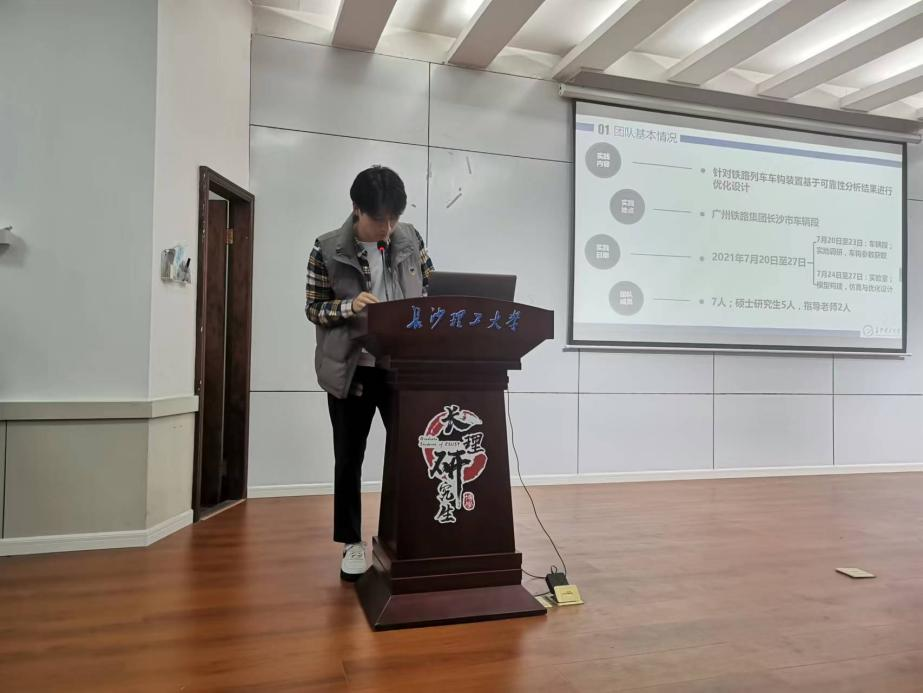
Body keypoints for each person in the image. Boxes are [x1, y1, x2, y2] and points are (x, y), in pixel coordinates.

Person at [305, 166, 434, 581]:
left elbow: (432, 287)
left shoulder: (410, 239)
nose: (388, 228)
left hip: (401, 368)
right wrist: (350, 306)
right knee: (349, 458)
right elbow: (314, 308)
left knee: (414, 453)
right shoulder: (326, 248)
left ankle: (410, 532)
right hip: (353, 369)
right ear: (356, 208)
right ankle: (351, 543)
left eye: (394, 218)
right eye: (380, 220)